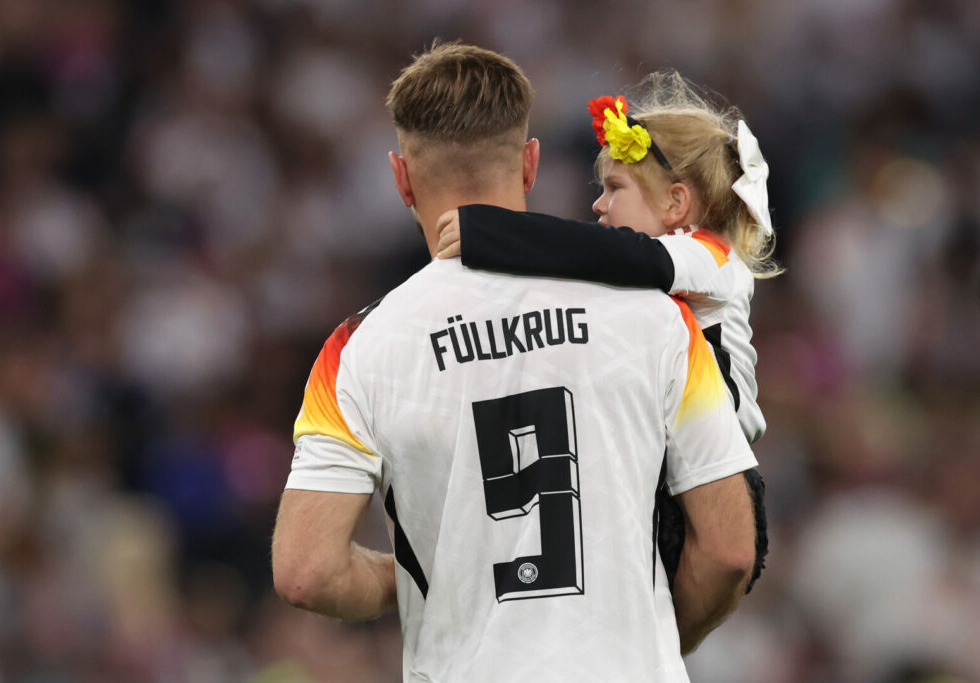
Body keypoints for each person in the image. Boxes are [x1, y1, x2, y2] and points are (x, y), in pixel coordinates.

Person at [271, 43, 758, 682]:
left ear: (401, 178)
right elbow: (727, 551)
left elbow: (306, 571)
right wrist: (661, 638)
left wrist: (429, 575)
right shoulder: (659, 315)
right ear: (530, 164)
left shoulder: (357, 348)